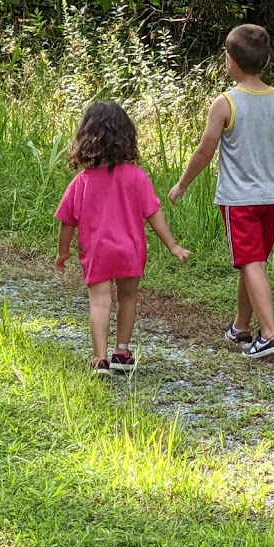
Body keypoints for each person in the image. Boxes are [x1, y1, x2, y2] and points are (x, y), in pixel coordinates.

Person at [168, 24, 274, 359]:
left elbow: (205, 151)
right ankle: (241, 326)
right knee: (254, 262)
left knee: (251, 262)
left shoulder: (225, 103)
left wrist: (182, 184)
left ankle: (270, 334)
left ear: (229, 61)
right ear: (265, 61)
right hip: (272, 199)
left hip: (240, 201)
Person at [56, 102, 190, 374]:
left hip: (97, 252)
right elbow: (154, 214)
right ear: (126, 137)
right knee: (128, 299)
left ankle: (99, 358)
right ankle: (122, 352)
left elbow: (67, 222)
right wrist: (173, 245)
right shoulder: (137, 177)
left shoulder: (81, 182)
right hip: (130, 249)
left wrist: (63, 252)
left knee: (99, 302)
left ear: (86, 137)